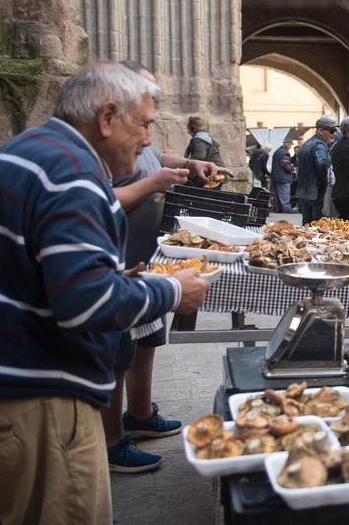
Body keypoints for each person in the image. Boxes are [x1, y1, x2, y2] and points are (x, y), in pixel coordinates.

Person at [0, 61, 209, 524]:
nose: (149, 140)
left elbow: (44, 281)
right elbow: (85, 305)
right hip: (25, 403)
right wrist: (171, 290)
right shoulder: (70, 175)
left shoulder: (37, 152)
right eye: (145, 125)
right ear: (107, 117)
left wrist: (119, 278)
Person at [104, 62, 232, 472]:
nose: (149, 127)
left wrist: (189, 166)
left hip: (150, 257)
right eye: (149, 95)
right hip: (118, 259)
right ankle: (111, 440)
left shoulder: (137, 137)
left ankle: (140, 415)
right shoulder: (102, 148)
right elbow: (100, 204)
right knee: (116, 352)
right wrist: (154, 183)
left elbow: (156, 158)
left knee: (147, 340)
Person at [296, 115, 337, 224]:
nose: (334, 133)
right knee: (318, 225)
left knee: (307, 223)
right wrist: (325, 180)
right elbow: (322, 163)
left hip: (304, 191)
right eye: (332, 131)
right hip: (316, 191)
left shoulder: (306, 144)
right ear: (320, 131)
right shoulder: (319, 145)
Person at [270, 138, 295, 212]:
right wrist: (292, 167)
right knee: (284, 194)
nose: (291, 147)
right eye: (290, 145)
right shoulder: (285, 153)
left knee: (277, 195)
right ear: (287, 144)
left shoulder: (277, 152)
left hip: (276, 177)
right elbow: (286, 166)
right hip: (283, 177)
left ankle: (279, 209)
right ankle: (287, 209)